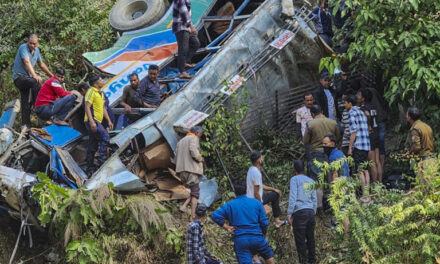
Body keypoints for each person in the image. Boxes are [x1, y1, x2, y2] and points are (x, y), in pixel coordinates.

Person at [211, 182, 275, 264]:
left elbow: (215, 215)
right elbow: (264, 222)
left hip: (241, 239)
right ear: (247, 190)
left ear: (234, 192)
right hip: (257, 237)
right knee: (268, 256)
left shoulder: (230, 204)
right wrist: (263, 233)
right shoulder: (256, 203)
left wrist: (227, 227)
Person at [13, 33, 53, 128]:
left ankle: (26, 127)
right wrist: (35, 75)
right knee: (36, 82)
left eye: (34, 44)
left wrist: (52, 76)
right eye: (30, 43)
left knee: (25, 103)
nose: (32, 45)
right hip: (19, 78)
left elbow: (41, 64)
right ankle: (37, 105)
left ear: (37, 43)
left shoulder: (37, 51)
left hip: (27, 80)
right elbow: (26, 62)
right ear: (28, 42)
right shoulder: (23, 48)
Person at [287, 160, 317, 264]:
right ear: (303, 169)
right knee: (310, 238)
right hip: (310, 212)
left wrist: (289, 213)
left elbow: (293, 197)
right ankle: (312, 260)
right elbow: (314, 199)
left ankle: (304, 262)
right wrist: (313, 212)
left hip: (300, 213)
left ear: (294, 169)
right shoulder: (311, 181)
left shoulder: (294, 179)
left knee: (300, 241)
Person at [246, 151, 286, 228]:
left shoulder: (251, 169)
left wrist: (273, 189)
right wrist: (261, 205)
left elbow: (260, 185)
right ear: (258, 160)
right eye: (261, 157)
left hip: (251, 198)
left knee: (275, 194)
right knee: (275, 196)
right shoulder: (256, 173)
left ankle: (277, 221)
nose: (262, 158)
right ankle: (277, 221)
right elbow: (256, 193)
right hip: (255, 199)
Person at [84, 75, 113, 175]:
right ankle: (102, 161)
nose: (102, 81)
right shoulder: (91, 91)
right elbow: (87, 106)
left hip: (97, 121)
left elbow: (104, 108)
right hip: (92, 120)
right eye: (100, 79)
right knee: (105, 137)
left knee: (92, 144)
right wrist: (91, 121)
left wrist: (109, 120)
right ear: (96, 83)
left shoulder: (101, 93)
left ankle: (89, 167)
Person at [344, 95, 370, 202]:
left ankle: (365, 195)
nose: (344, 105)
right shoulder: (361, 112)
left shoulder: (352, 113)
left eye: (345, 103)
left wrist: (350, 147)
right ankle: (368, 194)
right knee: (366, 170)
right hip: (366, 144)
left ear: (350, 103)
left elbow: (353, 132)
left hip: (358, 145)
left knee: (359, 171)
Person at [175, 126, 204, 219]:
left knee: (193, 190)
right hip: (191, 170)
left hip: (181, 170)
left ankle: (183, 206)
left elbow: (175, 157)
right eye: (200, 134)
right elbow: (193, 151)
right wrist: (200, 158)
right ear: (197, 133)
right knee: (196, 193)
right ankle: (192, 216)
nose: (200, 137)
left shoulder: (180, 141)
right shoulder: (194, 138)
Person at [358, 88, 382, 183]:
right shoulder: (373, 106)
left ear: (363, 98)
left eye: (359, 95)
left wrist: (368, 125)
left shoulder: (363, 108)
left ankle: (375, 184)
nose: (357, 97)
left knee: (372, 162)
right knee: (377, 160)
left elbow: (367, 115)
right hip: (376, 133)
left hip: (370, 135)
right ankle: (380, 182)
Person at [172, 0, 201, 79]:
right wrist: (192, 27)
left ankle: (185, 62)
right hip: (181, 27)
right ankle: (182, 72)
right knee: (183, 49)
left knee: (195, 43)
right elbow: (185, 15)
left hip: (186, 27)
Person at [296, 92, 314, 159]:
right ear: (304, 101)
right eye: (307, 100)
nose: (309, 102)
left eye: (311, 100)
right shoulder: (300, 111)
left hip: (317, 137)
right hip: (306, 138)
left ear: (313, 100)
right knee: (309, 157)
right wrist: (300, 138)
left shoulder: (317, 109)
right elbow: (298, 125)